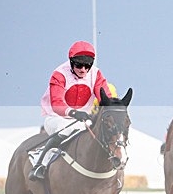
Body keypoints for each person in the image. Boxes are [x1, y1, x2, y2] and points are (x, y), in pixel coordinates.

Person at [29, 41, 114, 181]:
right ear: (71, 62)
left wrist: (112, 106)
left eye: (87, 66)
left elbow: (105, 96)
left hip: (82, 119)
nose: (83, 70)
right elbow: (57, 104)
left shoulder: (96, 74)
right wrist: (73, 113)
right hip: (56, 117)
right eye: (79, 65)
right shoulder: (59, 74)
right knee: (65, 130)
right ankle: (40, 163)